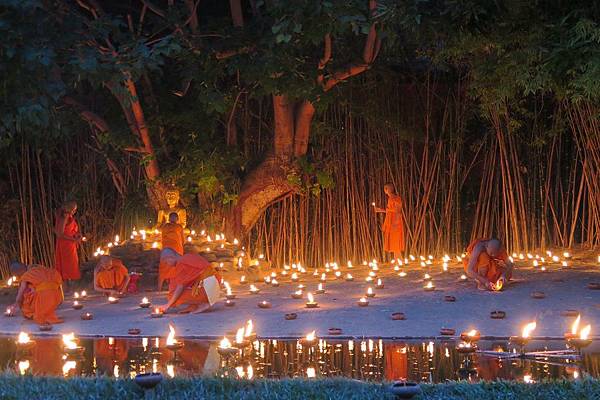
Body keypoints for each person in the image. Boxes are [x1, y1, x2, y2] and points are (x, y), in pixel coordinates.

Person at [157, 252, 222, 314]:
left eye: (166, 262)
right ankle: (195, 305)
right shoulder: (188, 256)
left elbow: (180, 287)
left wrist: (167, 305)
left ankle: (204, 303)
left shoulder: (182, 264)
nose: (168, 264)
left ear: (170, 257)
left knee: (172, 294)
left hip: (208, 291)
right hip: (213, 285)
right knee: (176, 286)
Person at [54, 200, 82, 292]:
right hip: (65, 245)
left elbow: (72, 230)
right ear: (69, 209)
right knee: (67, 265)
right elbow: (60, 234)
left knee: (72, 264)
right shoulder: (64, 218)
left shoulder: (69, 217)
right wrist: (74, 239)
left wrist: (77, 235)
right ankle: (66, 289)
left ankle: (71, 288)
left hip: (70, 244)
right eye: (73, 209)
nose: (74, 211)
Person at [374, 183, 405, 260]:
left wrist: (388, 210)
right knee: (393, 240)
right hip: (391, 221)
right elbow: (390, 211)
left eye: (386, 188)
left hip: (395, 222)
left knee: (396, 239)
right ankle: (398, 259)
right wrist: (380, 210)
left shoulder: (396, 198)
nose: (386, 190)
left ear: (388, 189)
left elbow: (398, 210)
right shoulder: (390, 199)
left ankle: (399, 260)